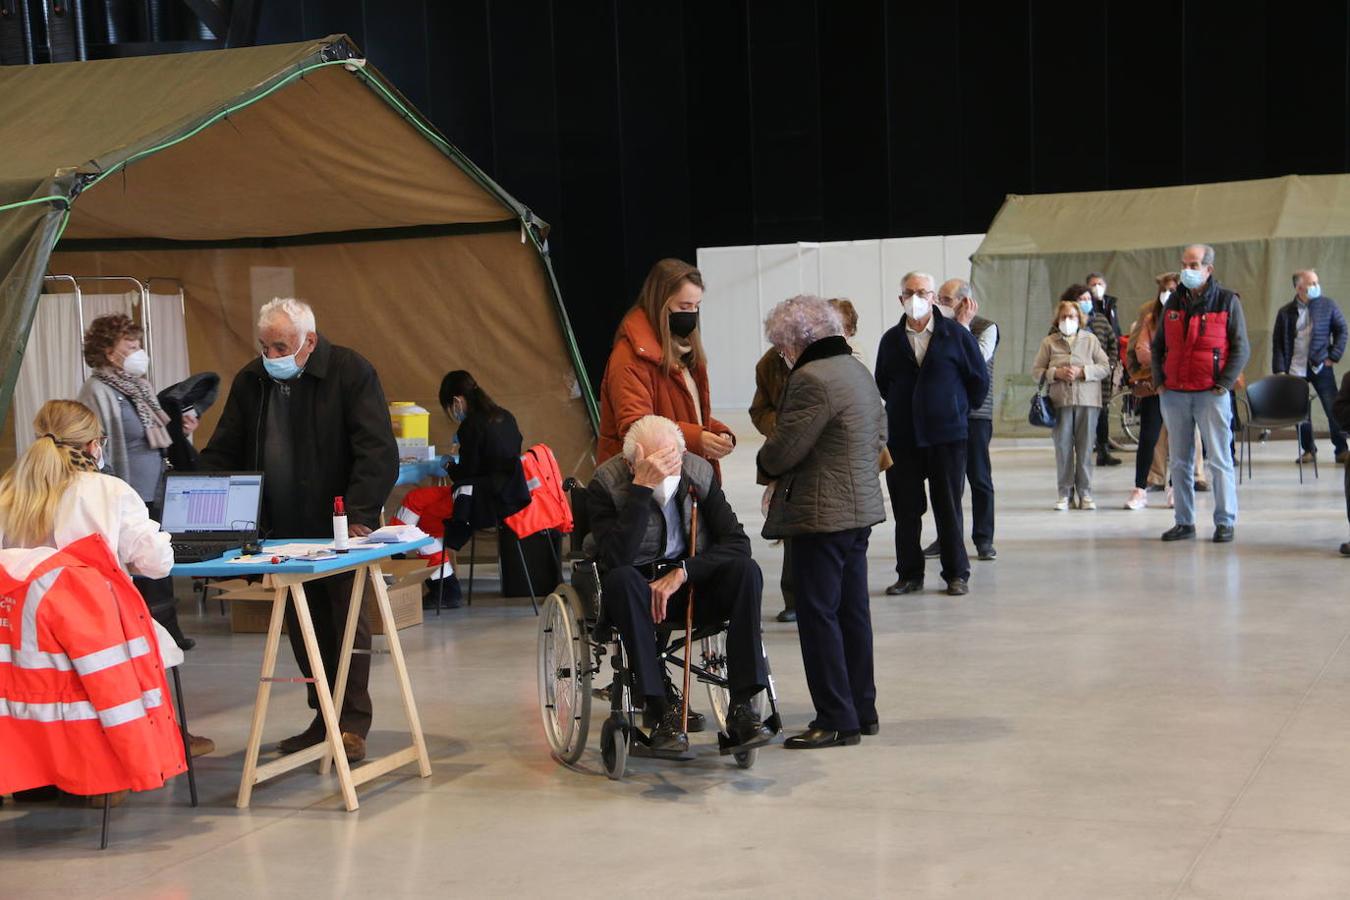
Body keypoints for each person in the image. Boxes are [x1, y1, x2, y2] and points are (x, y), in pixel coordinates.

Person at [201, 298, 398, 763]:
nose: (272, 356)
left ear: (309, 342)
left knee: (346, 622)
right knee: (303, 627)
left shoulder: (350, 372)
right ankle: (322, 716)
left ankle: (351, 724)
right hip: (280, 531)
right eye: (265, 346)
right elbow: (225, 448)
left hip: (339, 528)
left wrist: (360, 516)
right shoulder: (252, 380)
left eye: (281, 346)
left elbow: (377, 451)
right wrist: (201, 496)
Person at [0, 400, 212, 791]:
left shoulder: (9, 491)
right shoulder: (108, 491)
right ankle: (121, 766)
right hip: (99, 643)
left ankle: (45, 776)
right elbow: (157, 562)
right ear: (95, 445)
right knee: (161, 644)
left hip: (25, 649)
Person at [587, 415, 773, 756]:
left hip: (690, 587)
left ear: (683, 453)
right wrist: (641, 490)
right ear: (630, 464)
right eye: (653, 465)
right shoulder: (606, 483)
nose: (666, 473)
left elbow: (736, 543)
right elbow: (615, 557)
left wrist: (685, 571)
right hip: (637, 593)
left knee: (746, 571)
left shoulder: (699, 473)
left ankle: (743, 706)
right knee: (622, 578)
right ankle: (659, 711)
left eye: (672, 461)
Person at [758, 295, 887, 749]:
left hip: (821, 514)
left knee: (818, 616)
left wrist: (766, 465)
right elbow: (880, 434)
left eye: (782, 346)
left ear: (798, 341)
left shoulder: (811, 378)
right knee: (853, 612)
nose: (782, 355)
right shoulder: (856, 370)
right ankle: (861, 709)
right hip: (859, 511)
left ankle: (835, 719)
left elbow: (784, 448)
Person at [77, 313, 198, 650]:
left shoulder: (140, 387)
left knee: (158, 562)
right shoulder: (96, 391)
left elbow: (156, 434)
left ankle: (168, 630)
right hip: (126, 490)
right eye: (129, 345)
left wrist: (182, 429)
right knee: (137, 568)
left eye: (138, 344)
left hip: (156, 488)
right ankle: (146, 635)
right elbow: (95, 443)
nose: (137, 350)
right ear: (107, 350)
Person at [876, 271, 989, 597]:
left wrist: (955, 408)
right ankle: (909, 574)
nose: (916, 298)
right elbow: (883, 383)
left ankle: (956, 573)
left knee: (948, 507)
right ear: (901, 299)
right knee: (906, 511)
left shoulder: (956, 335)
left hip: (947, 437)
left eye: (923, 292)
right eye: (910, 292)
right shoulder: (890, 341)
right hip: (903, 439)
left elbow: (977, 380)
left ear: (934, 298)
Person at [749, 297, 859, 623]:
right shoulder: (769, 364)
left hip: (829, 464)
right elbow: (760, 410)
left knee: (829, 539)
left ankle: (824, 600)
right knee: (792, 533)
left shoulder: (840, 366)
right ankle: (794, 598)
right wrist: (781, 430)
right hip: (790, 455)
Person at [391, 371, 528, 609]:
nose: (453, 413)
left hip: (478, 500)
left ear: (457, 400)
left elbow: (468, 473)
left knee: (415, 504)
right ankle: (445, 588)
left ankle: (395, 559)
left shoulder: (471, 426)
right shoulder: (506, 417)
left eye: (450, 407)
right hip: (507, 498)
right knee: (424, 525)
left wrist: (449, 466)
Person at [597, 258, 736, 479]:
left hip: (683, 476)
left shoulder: (685, 351)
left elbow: (687, 412)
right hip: (645, 484)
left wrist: (716, 432)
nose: (691, 314)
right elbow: (636, 428)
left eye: (696, 307)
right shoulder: (629, 358)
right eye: (684, 306)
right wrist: (696, 438)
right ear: (660, 302)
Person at [1150, 244, 1250, 543]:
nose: (1187, 271)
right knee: (1179, 461)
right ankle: (1184, 521)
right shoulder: (1173, 303)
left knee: (1219, 460)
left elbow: (1241, 348)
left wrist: (1223, 384)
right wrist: (1159, 381)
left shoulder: (1227, 300)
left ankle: (1224, 521)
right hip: (1174, 393)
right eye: (1185, 264)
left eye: (1194, 265)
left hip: (1211, 393)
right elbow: (1157, 347)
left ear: (1209, 269)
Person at [928, 279, 999, 560]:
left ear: (964, 302)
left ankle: (983, 539)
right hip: (946, 412)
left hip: (975, 414)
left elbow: (975, 360)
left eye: (945, 299)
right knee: (948, 483)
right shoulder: (936, 328)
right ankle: (946, 538)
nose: (939, 305)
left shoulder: (986, 327)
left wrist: (962, 327)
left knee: (979, 478)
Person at [1032, 293, 1110, 510]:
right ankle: (1064, 494)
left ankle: (1085, 494)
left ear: (1080, 318)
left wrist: (1083, 371)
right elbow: (1036, 372)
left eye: (1073, 316)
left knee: (1085, 449)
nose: (1068, 320)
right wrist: (1055, 373)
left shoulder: (1091, 340)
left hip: (1088, 402)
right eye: (1065, 316)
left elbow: (1105, 367)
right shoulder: (1049, 342)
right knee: (1063, 449)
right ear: (1058, 320)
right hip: (1060, 402)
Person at [1272, 269, 1349, 465]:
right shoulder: (1285, 312)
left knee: (1333, 407)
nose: (1316, 286)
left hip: (1321, 366)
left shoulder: (1327, 305)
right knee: (1300, 411)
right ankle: (1308, 449)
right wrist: (1280, 370)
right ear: (1299, 288)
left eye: (1317, 282)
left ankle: (1341, 449)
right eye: (1311, 283)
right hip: (1295, 368)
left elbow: (1342, 329)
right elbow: (1278, 343)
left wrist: (1334, 356)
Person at [1124, 274, 1177, 509]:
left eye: (1173, 289)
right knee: (1148, 437)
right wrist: (1167, 360)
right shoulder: (1150, 318)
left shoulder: (1189, 317)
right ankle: (1139, 489)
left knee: (1179, 440)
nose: (1168, 294)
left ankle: (1176, 488)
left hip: (1181, 388)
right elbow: (1142, 352)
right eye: (1165, 289)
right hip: (1154, 386)